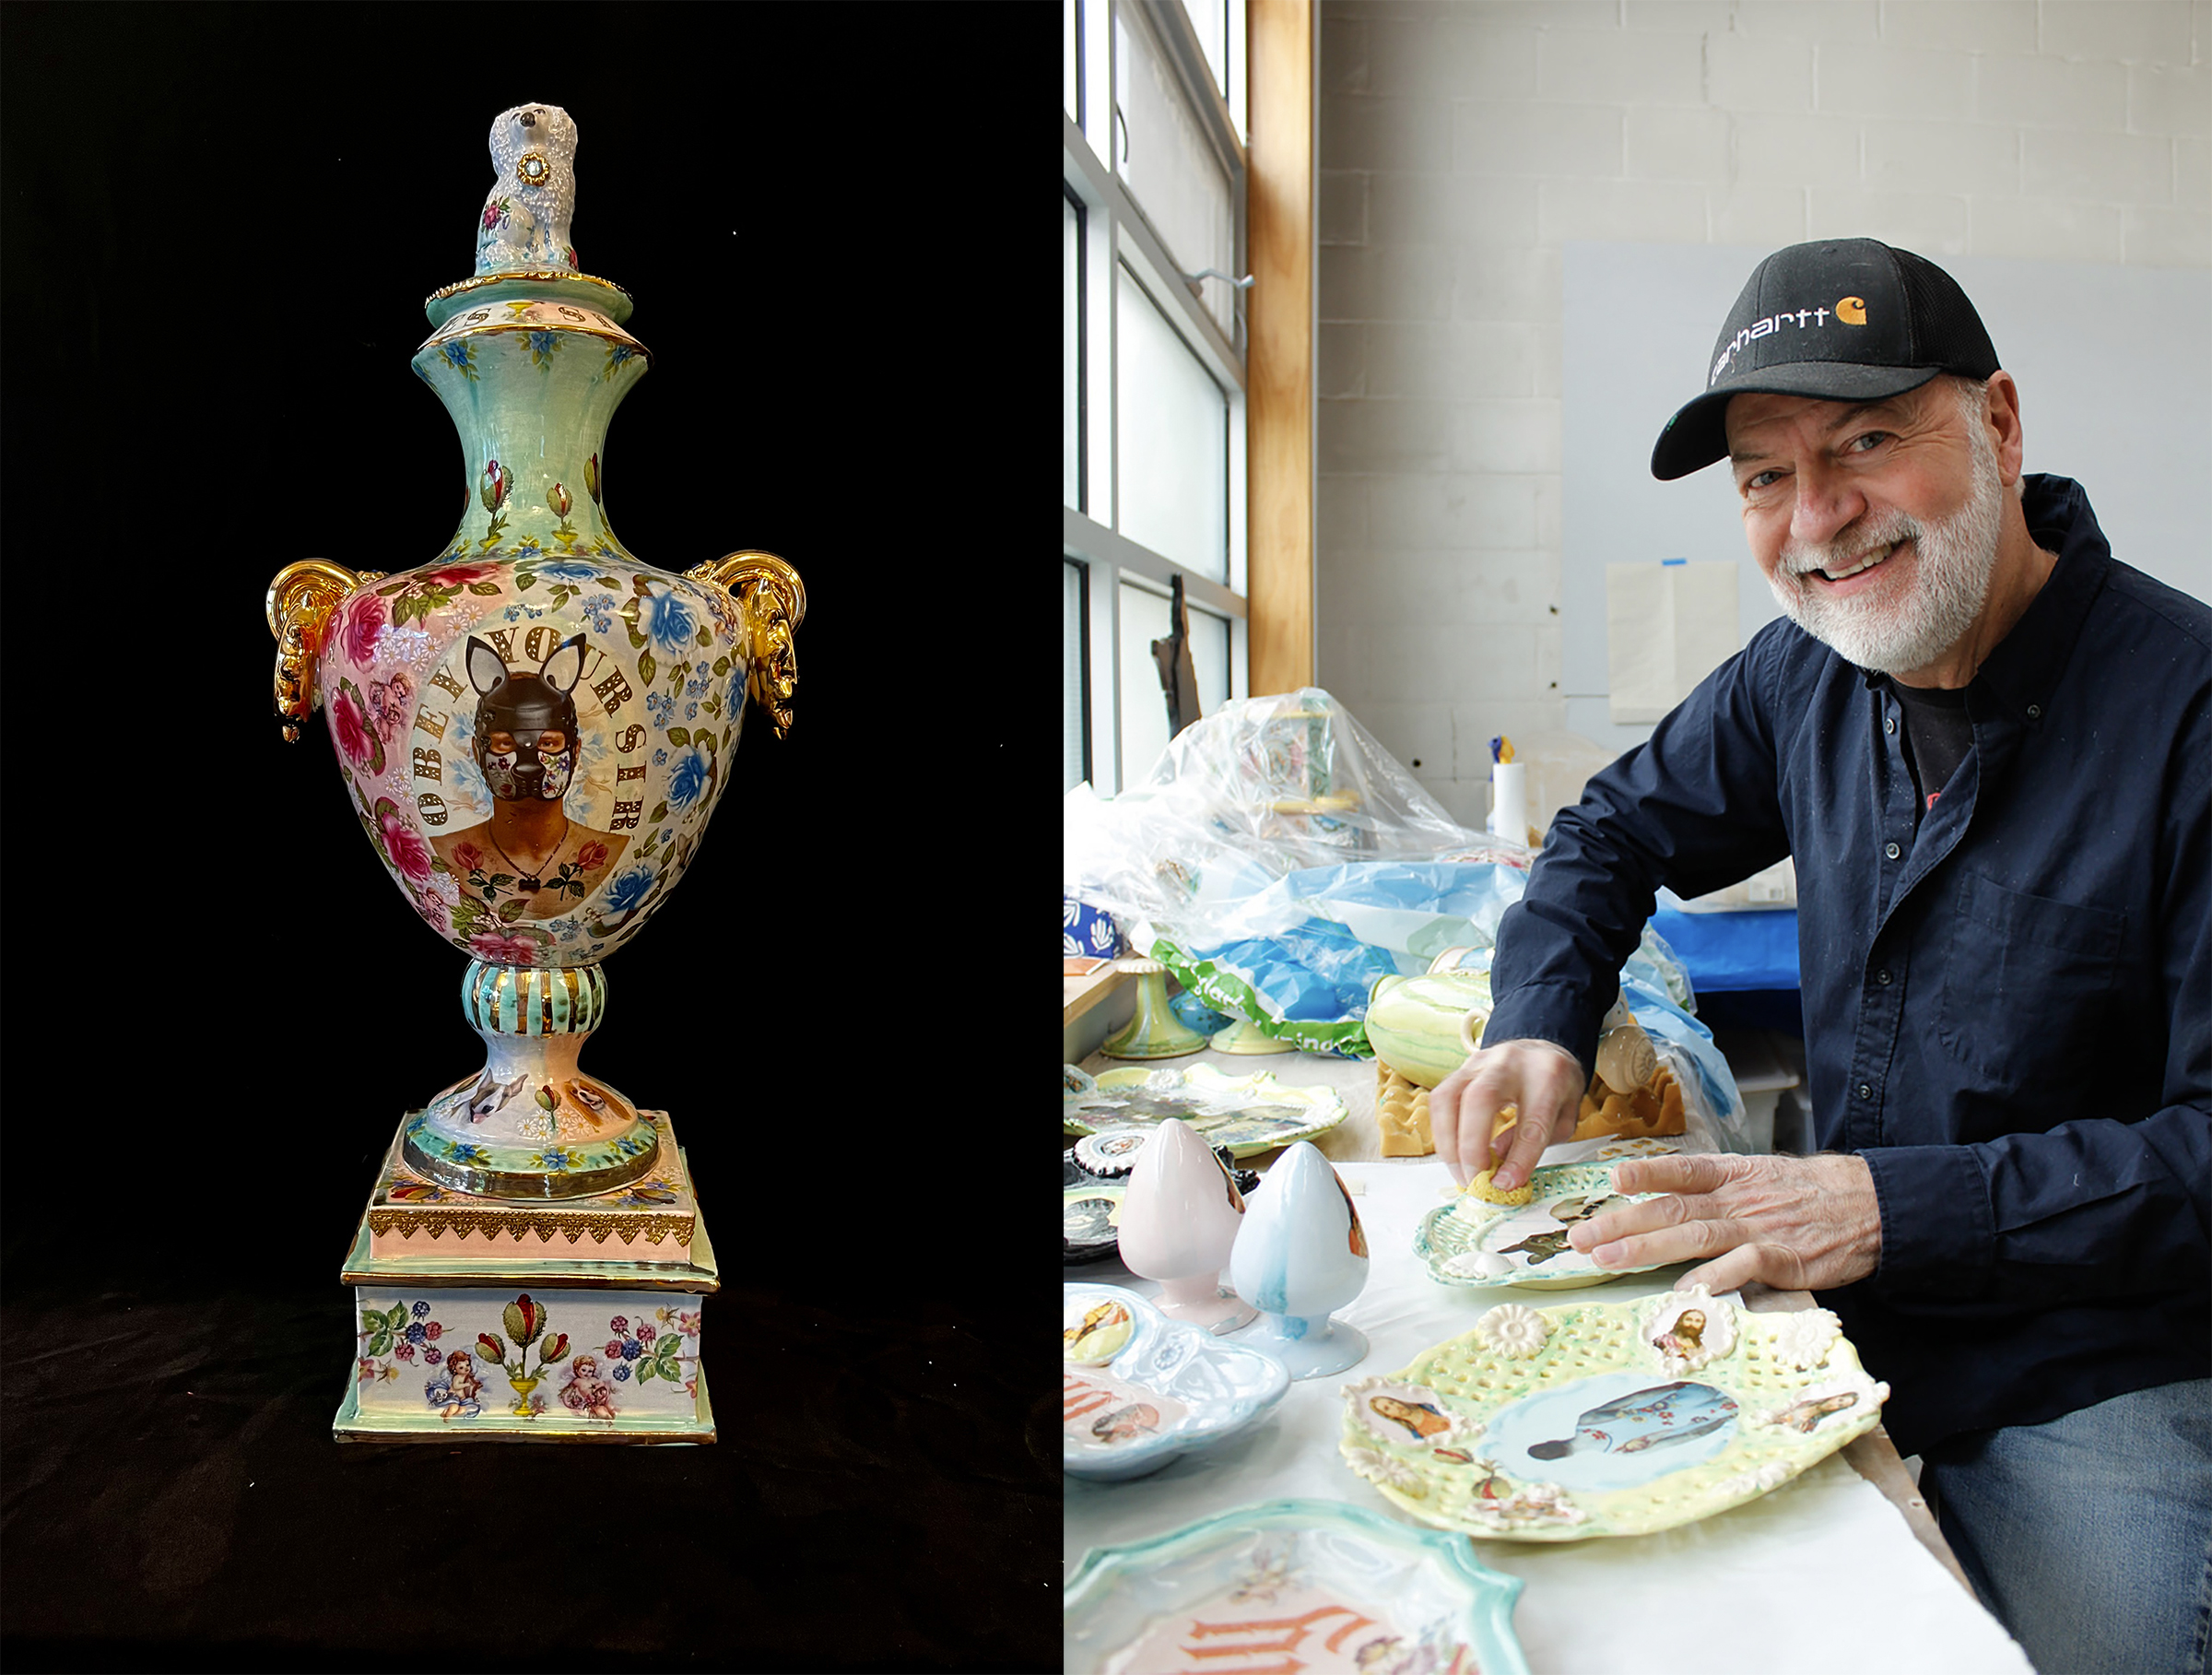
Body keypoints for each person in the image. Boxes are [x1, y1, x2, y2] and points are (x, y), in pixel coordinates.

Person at [1426, 238, 2209, 1675]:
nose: (1821, 517)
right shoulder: (1809, 674)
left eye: (1866, 440)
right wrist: (1537, 1018)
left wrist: (1882, 1210)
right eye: (1766, 476)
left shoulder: (2190, 713)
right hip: (1835, 1323)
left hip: (2096, 1373)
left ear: (1999, 423)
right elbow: (1607, 830)